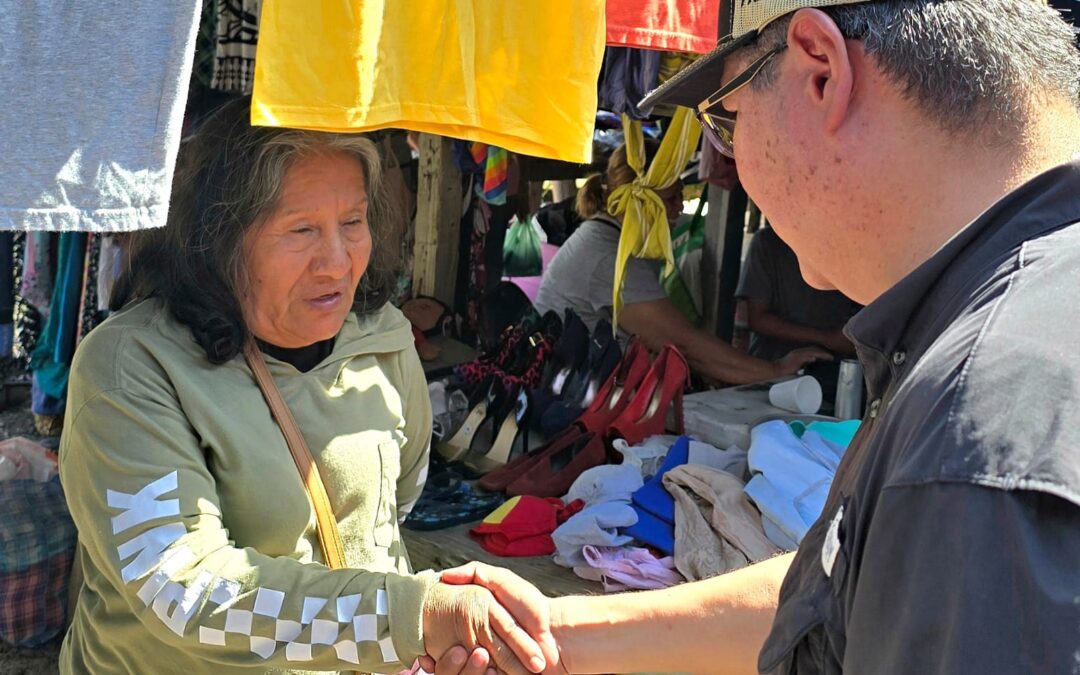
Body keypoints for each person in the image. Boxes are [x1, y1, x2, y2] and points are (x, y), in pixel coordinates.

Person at [427, 1, 1080, 673]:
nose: (730, 156)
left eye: (727, 118)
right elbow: (849, 582)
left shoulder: (973, 428)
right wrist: (556, 636)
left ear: (820, 71)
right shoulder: (1024, 320)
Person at [58, 98, 547, 675]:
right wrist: (410, 617)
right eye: (301, 230)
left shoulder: (382, 340)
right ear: (220, 237)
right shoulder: (130, 365)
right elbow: (187, 591)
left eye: (353, 222)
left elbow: (393, 506)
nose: (337, 262)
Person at [533, 141, 828, 385]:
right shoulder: (608, 255)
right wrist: (775, 371)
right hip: (566, 404)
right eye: (672, 198)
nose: (678, 208)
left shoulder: (611, 240)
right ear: (639, 199)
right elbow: (682, 343)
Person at [736, 226, 861, 359]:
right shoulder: (768, 242)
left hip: (839, 364)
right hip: (774, 363)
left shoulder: (852, 246)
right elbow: (756, 318)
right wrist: (826, 338)